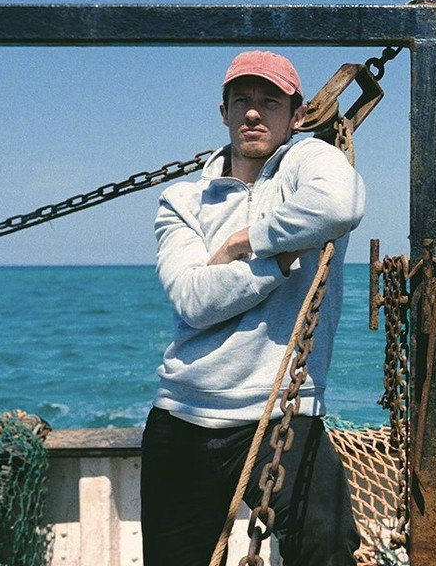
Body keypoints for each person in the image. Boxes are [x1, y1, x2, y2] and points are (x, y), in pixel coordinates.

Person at [141, 50, 365, 566]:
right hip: (185, 413)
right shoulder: (182, 200)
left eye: (269, 101)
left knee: (327, 550)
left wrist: (246, 241)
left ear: (298, 113)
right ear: (223, 111)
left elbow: (341, 205)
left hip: (287, 411)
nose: (254, 113)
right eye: (241, 100)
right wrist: (277, 263)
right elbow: (194, 300)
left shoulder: (310, 163)